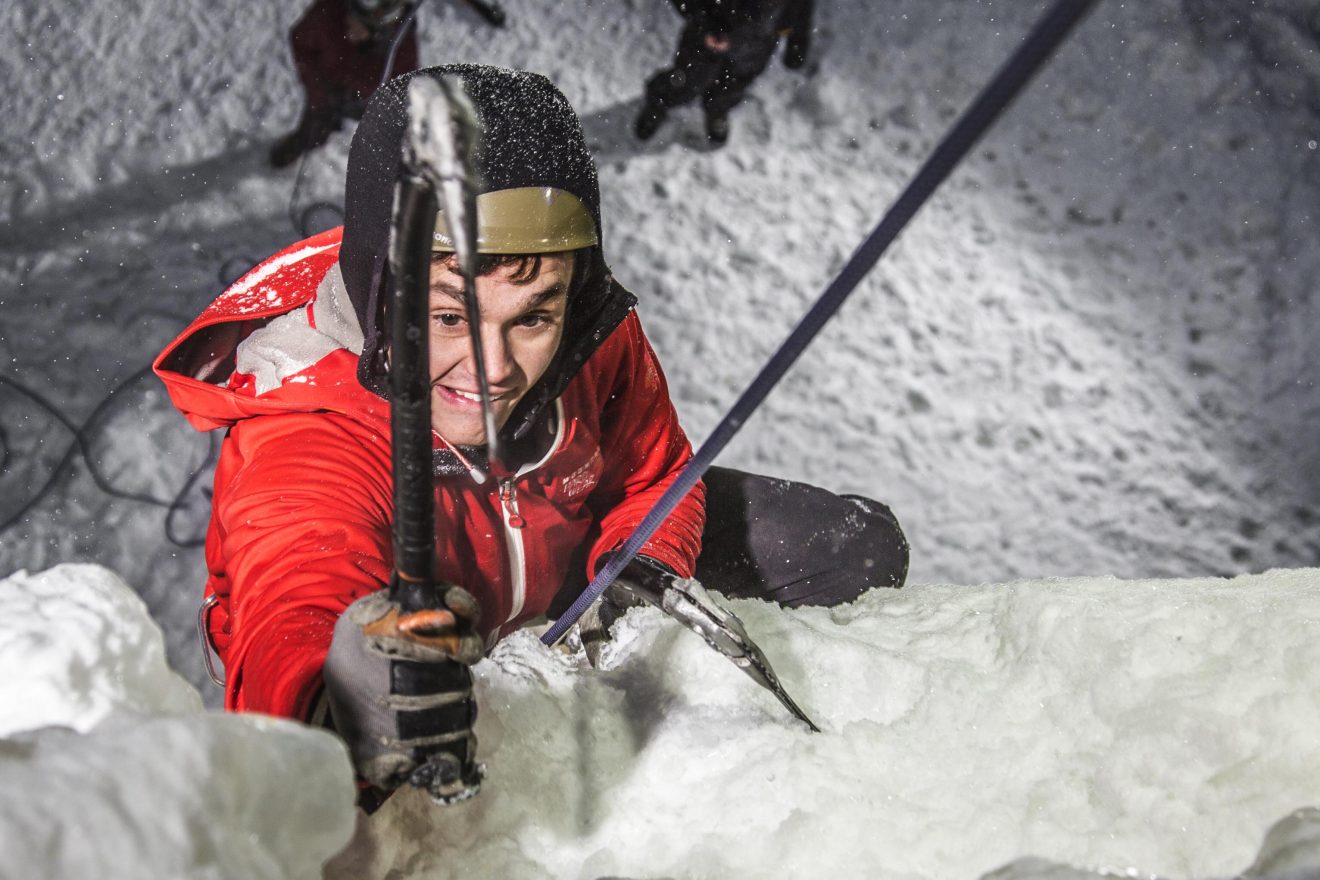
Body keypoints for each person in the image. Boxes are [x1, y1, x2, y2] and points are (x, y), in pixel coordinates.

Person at [157, 64, 906, 804]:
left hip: (571, 578)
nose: (493, 369)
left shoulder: (589, 332)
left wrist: (638, 574)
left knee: (853, 544)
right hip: (427, 667)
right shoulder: (308, 435)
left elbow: (653, 473)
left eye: (533, 318)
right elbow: (296, 590)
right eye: (449, 317)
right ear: (381, 291)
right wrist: (345, 702)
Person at [635, 0, 815, 146]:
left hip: (754, 45)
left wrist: (798, 41)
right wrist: (705, 23)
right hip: (707, 37)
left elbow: (799, 9)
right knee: (687, 80)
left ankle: (717, 109)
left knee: (733, 85)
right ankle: (659, 102)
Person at [269, 0, 419, 169]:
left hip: (368, 102)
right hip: (327, 89)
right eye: (350, 17)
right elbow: (300, 41)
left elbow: (400, 89)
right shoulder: (328, 12)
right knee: (316, 123)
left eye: (361, 26)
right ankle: (306, 140)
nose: (349, 28)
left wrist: (361, 92)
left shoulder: (401, 45)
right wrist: (318, 87)